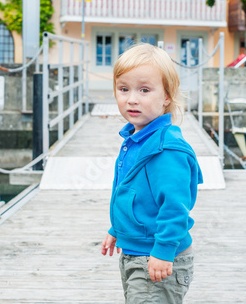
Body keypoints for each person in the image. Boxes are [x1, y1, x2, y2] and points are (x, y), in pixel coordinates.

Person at [101, 43, 203, 303]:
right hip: (135, 249)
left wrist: (164, 250)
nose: (132, 98)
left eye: (144, 90)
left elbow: (175, 207)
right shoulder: (135, 138)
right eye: (124, 89)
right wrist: (117, 229)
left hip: (156, 255)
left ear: (167, 96)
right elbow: (133, 193)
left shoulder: (167, 148)